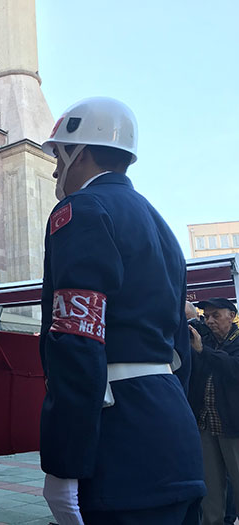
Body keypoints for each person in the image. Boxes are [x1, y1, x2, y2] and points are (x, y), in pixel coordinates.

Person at [38, 97, 205, 524]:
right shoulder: (161, 226)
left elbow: (77, 339)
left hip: (118, 444)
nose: (56, 169)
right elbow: (180, 344)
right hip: (175, 435)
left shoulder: (81, 212)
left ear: (81, 153)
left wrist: (64, 462)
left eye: (59, 155)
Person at [188, 297, 239, 525]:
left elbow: (233, 369)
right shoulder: (205, 342)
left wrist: (202, 351)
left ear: (231, 315)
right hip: (207, 427)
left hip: (234, 427)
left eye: (215, 315)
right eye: (206, 316)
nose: (209, 321)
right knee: (211, 494)